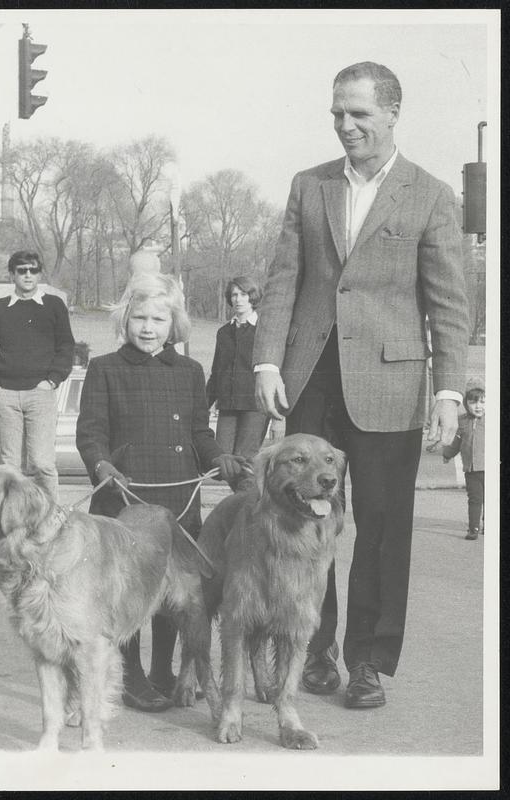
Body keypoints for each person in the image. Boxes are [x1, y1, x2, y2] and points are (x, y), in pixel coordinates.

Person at [253, 61, 470, 709]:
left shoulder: (431, 195)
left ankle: (369, 660)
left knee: (380, 527)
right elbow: (283, 281)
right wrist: (267, 363)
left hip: (392, 387)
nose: (346, 126)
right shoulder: (309, 186)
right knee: (303, 523)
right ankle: (310, 648)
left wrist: (449, 391)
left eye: (359, 114)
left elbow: (450, 306)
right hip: (311, 381)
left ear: (393, 113)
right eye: (337, 115)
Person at [76, 272, 245, 713]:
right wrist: (102, 465)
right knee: (129, 590)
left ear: (175, 325)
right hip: (124, 498)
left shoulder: (189, 372)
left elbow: (197, 432)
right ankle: (130, 676)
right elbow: (90, 433)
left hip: (177, 496)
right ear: (124, 319)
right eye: (139, 318)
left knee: (175, 590)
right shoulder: (104, 369)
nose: (148, 328)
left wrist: (217, 458)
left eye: (159, 319)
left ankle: (162, 668)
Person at [0, 250, 75, 501]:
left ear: (39, 273)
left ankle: (51, 515)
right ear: (12, 274)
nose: (28, 275)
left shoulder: (53, 305)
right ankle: (14, 515)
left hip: (39, 394)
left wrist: (51, 380)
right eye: (22, 270)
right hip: (6, 394)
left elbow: (66, 347)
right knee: (10, 465)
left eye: (33, 270)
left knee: (42, 463)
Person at [206, 276, 270, 491]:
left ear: (252, 297)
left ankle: (250, 504)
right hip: (227, 405)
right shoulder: (223, 333)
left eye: (243, 294)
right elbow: (217, 372)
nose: (238, 299)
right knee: (224, 462)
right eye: (234, 295)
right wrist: (202, 404)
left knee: (245, 460)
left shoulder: (264, 330)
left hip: (255, 406)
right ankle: (245, 500)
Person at [443, 377, 485, 540]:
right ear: (466, 403)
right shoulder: (463, 422)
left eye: (482, 402)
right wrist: (447, 454)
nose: (478, 406)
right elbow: (457, 441)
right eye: (473, 402)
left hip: (490, 468)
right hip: (471, 469)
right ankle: (473, 528)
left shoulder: (493, 420)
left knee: (490, 499)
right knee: (475, 499)